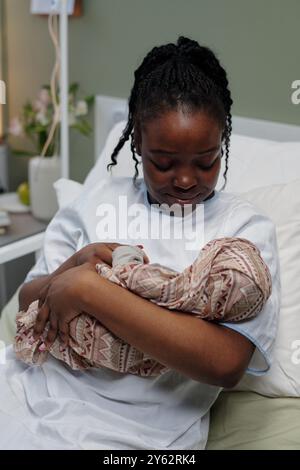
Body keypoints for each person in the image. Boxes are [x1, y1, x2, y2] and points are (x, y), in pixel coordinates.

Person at [0, 36, 280, 450]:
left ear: (222, 144)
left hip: (133, 433)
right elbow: (28, 301)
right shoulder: (96, 201)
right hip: (27, 388)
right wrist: (73, 268)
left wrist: (91, 291)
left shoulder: (242, 233)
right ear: (137, 145)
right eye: (163, 162)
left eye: (206, 161)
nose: (185, 180)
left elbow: (225, 364)